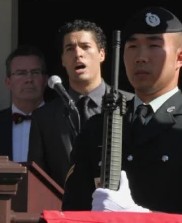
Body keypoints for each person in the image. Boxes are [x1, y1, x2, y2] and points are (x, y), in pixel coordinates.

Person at [62, 6, 182, 215]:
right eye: (133, 46)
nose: (140, 57)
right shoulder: (98, 126)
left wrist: (140, 219)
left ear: (180, 58)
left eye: (154, 46)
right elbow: (73, 210)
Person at [28, 20, 131, 188]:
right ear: (62, 60)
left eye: (85, 47)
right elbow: (37, 181)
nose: (78, 54)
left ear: (102, 54)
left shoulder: (130, 104)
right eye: (70, 48)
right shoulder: (44, 117)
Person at [0, 45, 48, 162]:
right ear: (8, 82)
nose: (29, 79)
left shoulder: (63, 123)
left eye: (35, 72)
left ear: (46, 80)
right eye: (21, 73)